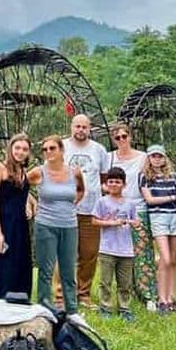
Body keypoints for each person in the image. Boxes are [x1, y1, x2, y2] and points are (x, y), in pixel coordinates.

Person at [28, 135, 85, 315]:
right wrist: (30, 202)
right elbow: (18, 186)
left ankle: (71, 311)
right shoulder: (38, 172)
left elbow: (81, 189)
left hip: (69, 225)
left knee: (68, 269)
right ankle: (44, 307)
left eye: (52, 148)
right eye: (44, 149)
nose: (48, 152)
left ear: (61, 150)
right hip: (45, 224)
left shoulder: (74, 172)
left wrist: (72, 204)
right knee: (46, 269)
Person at [108, 123, 157, 311]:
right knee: (116, 253)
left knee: (143, 252)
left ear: (130, 137)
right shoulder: (109, 157)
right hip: (116, 208)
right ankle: (123, 291)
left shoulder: (143, 157)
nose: (121, 140)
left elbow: (158, 176)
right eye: (117, 137)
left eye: (124, 136)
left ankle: (148, 294)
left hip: (138, 208)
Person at [62, 114, 109, 308]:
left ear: (90, 129)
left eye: (84, 127)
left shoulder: (99, 149)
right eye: (77, 126)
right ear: (71, 127)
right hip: (66, 210)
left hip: (92, 209)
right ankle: (63, 294)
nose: (81, 130)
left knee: (89, 254)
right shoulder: (62, 146)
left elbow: (104, 177)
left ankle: (84, 294)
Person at [139, 144, 176, 315]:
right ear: (149, 159)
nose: (157, 159)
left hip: (174, 217)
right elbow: (150, 200)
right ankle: (161, 298)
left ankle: (171, 297)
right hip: (158, 217)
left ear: (164, 158)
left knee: (173, 260)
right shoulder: (145, 177)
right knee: (165, 259)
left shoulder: (174, 177)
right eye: (153, 156)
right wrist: (173, 197)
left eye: (159, 156)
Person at [0, 133, 36, 300]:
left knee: (22, 263)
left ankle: (22, 300)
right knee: (5, 265)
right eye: (17, 148)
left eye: (24, 149)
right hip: (4, 224)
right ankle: (4, 301)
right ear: (11, 148)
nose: (20, 152)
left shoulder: (23, 171)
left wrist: (29, 203)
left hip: (21, 226)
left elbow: (20, 193)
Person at [92, 167, 139, 321]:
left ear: (124, 185)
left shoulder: (130, 203)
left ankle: (124, 308)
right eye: (110, 181)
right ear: (106, 184)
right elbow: (94, 220)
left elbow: (137, 222)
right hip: (107, 248)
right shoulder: (102, 201)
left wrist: (130, 222)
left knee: (125, 283)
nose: (113, 184)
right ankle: (105, 306)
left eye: (117, 182)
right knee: (105, 281)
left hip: (126, 250)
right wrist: (112, 222)